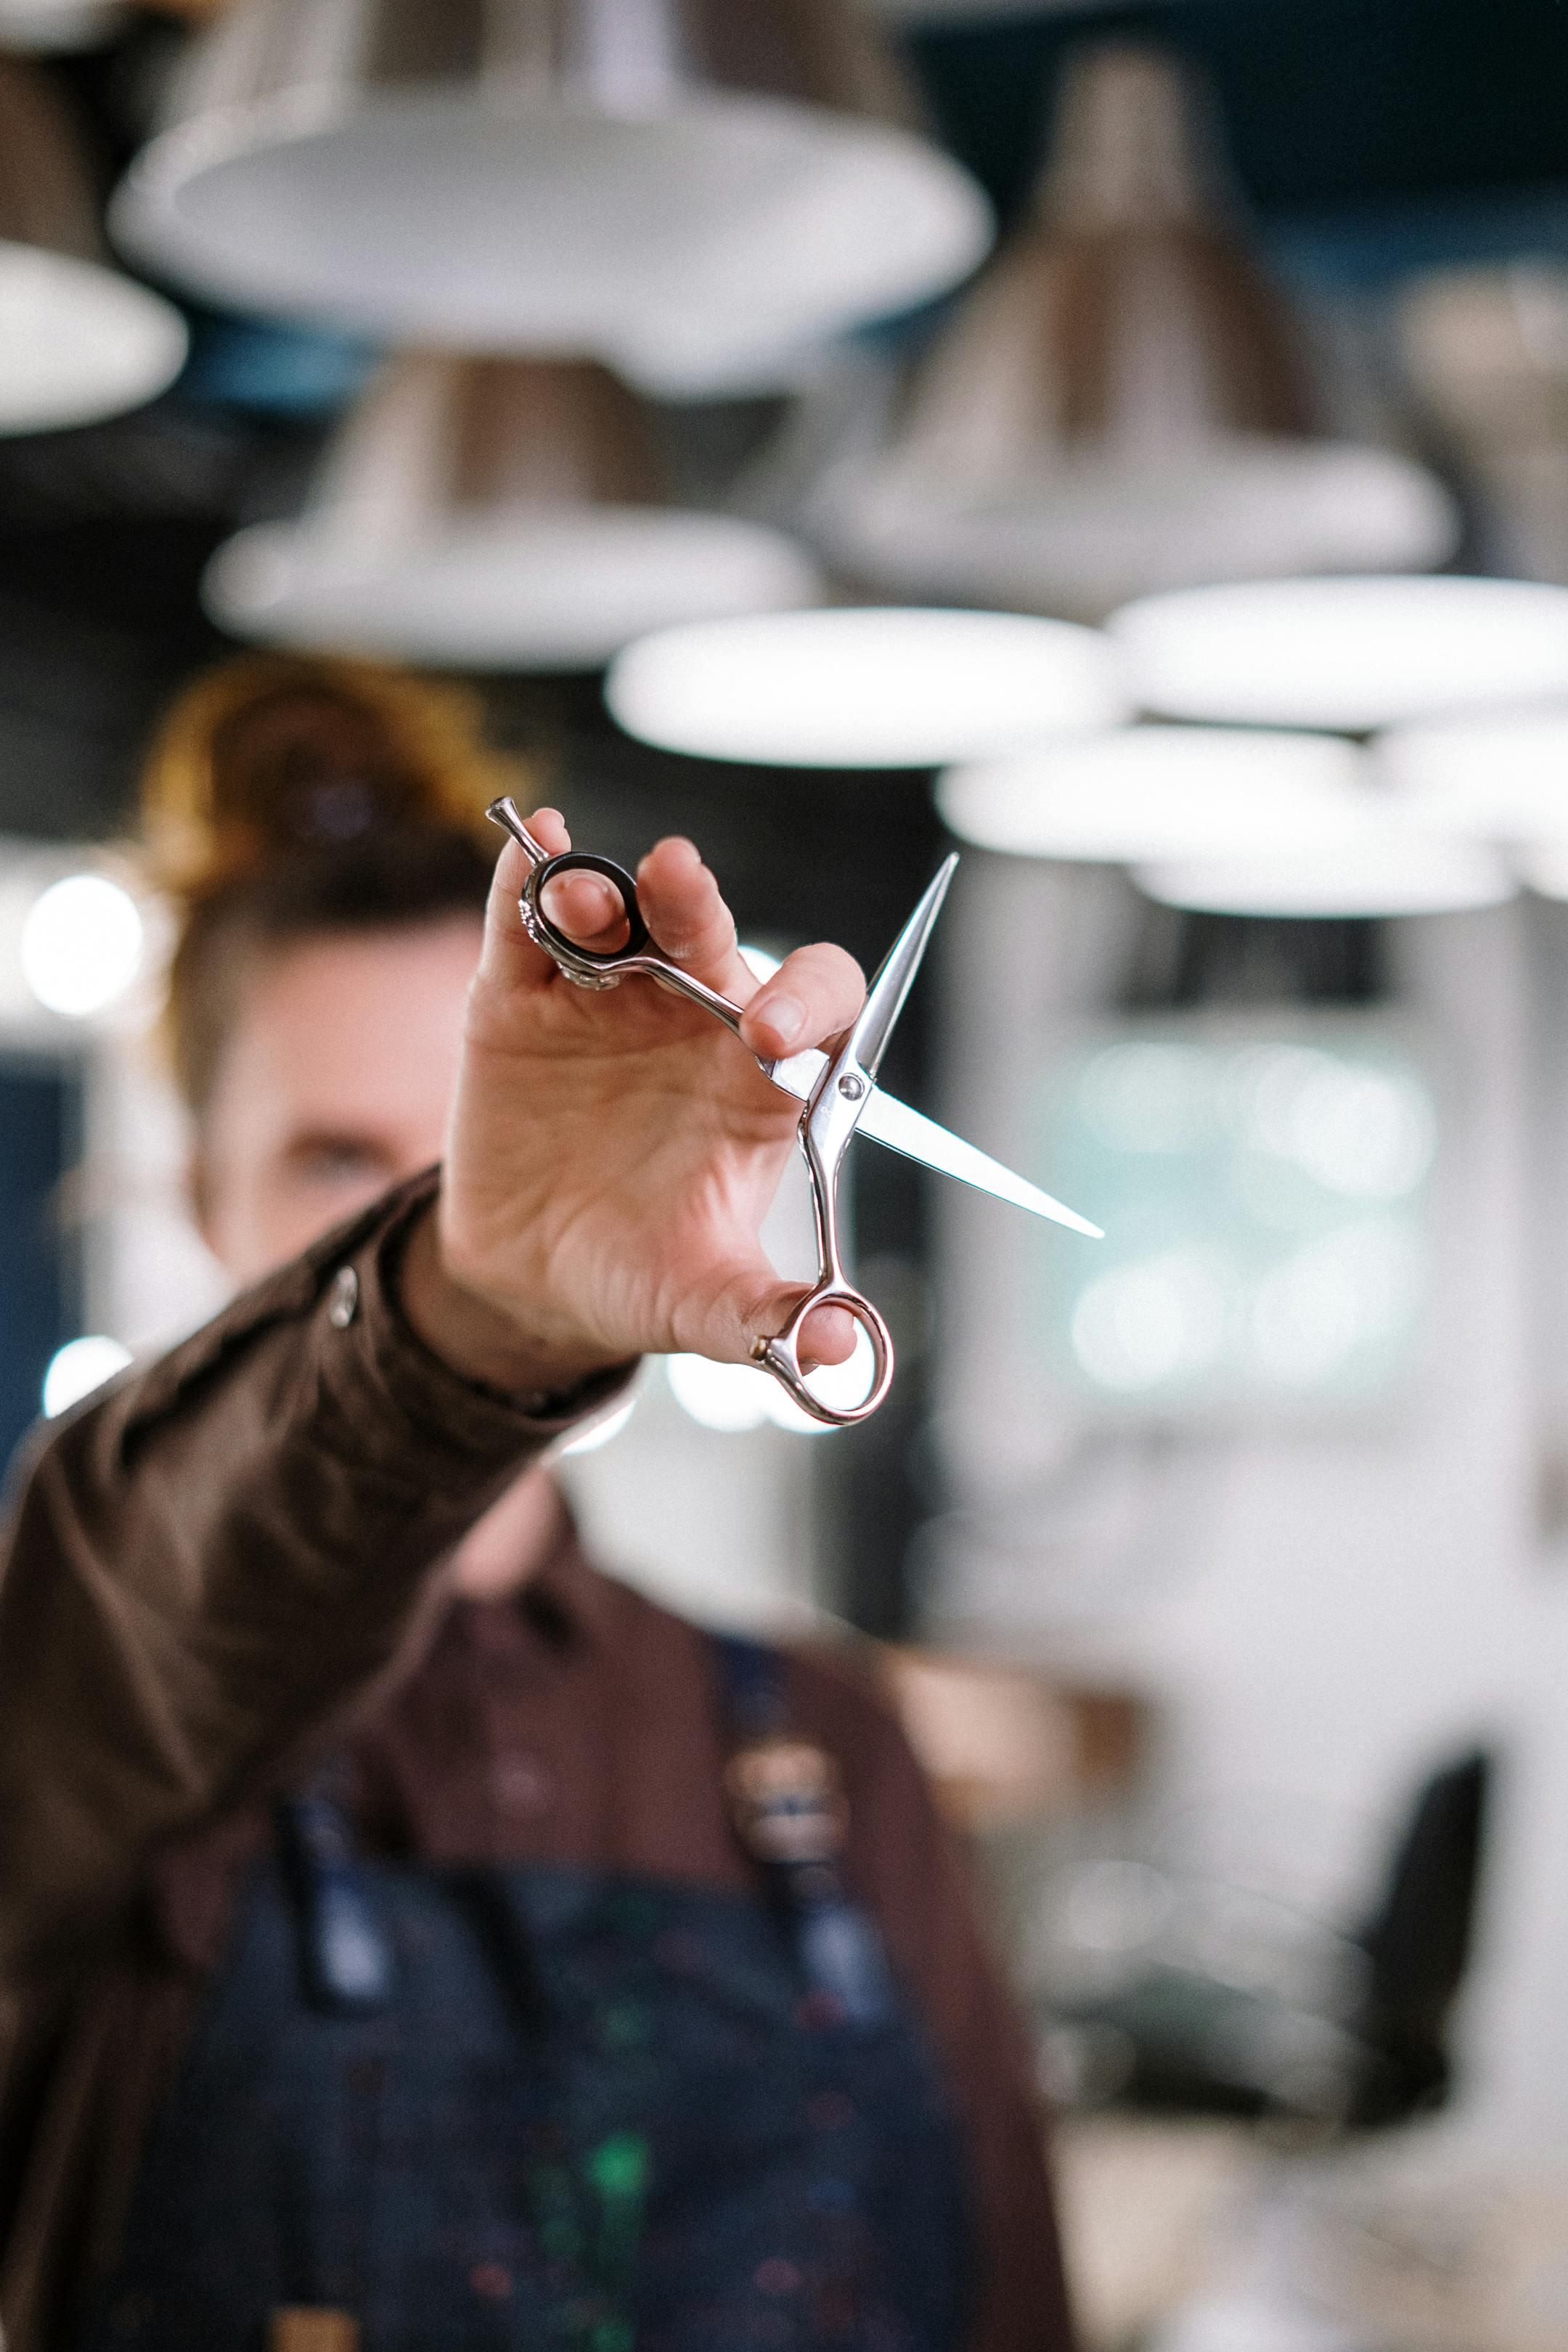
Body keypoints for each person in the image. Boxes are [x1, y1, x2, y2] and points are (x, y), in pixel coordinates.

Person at [0, 656, 1074, 2352]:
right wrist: (473, 1299)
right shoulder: (74, 1678)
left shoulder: (827, 1750)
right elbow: (150, 1564)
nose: (460, 1191)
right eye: (345, 1164)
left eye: (484, 1136)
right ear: (196, 1192)